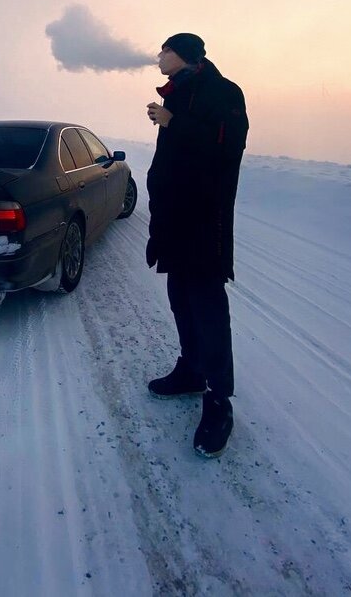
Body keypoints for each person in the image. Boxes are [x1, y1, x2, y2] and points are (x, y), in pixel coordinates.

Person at [145, 32, 249, 458]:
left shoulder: (224, 92)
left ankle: (219, 401)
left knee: (207, 306)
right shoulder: (179, 93)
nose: (158, 56)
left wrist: (174, 123)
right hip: (175, 218)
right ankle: (191, 370)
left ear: (184, 54)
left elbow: (227, 147)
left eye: (164, 50)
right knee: (181, 299)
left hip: (205, 221)